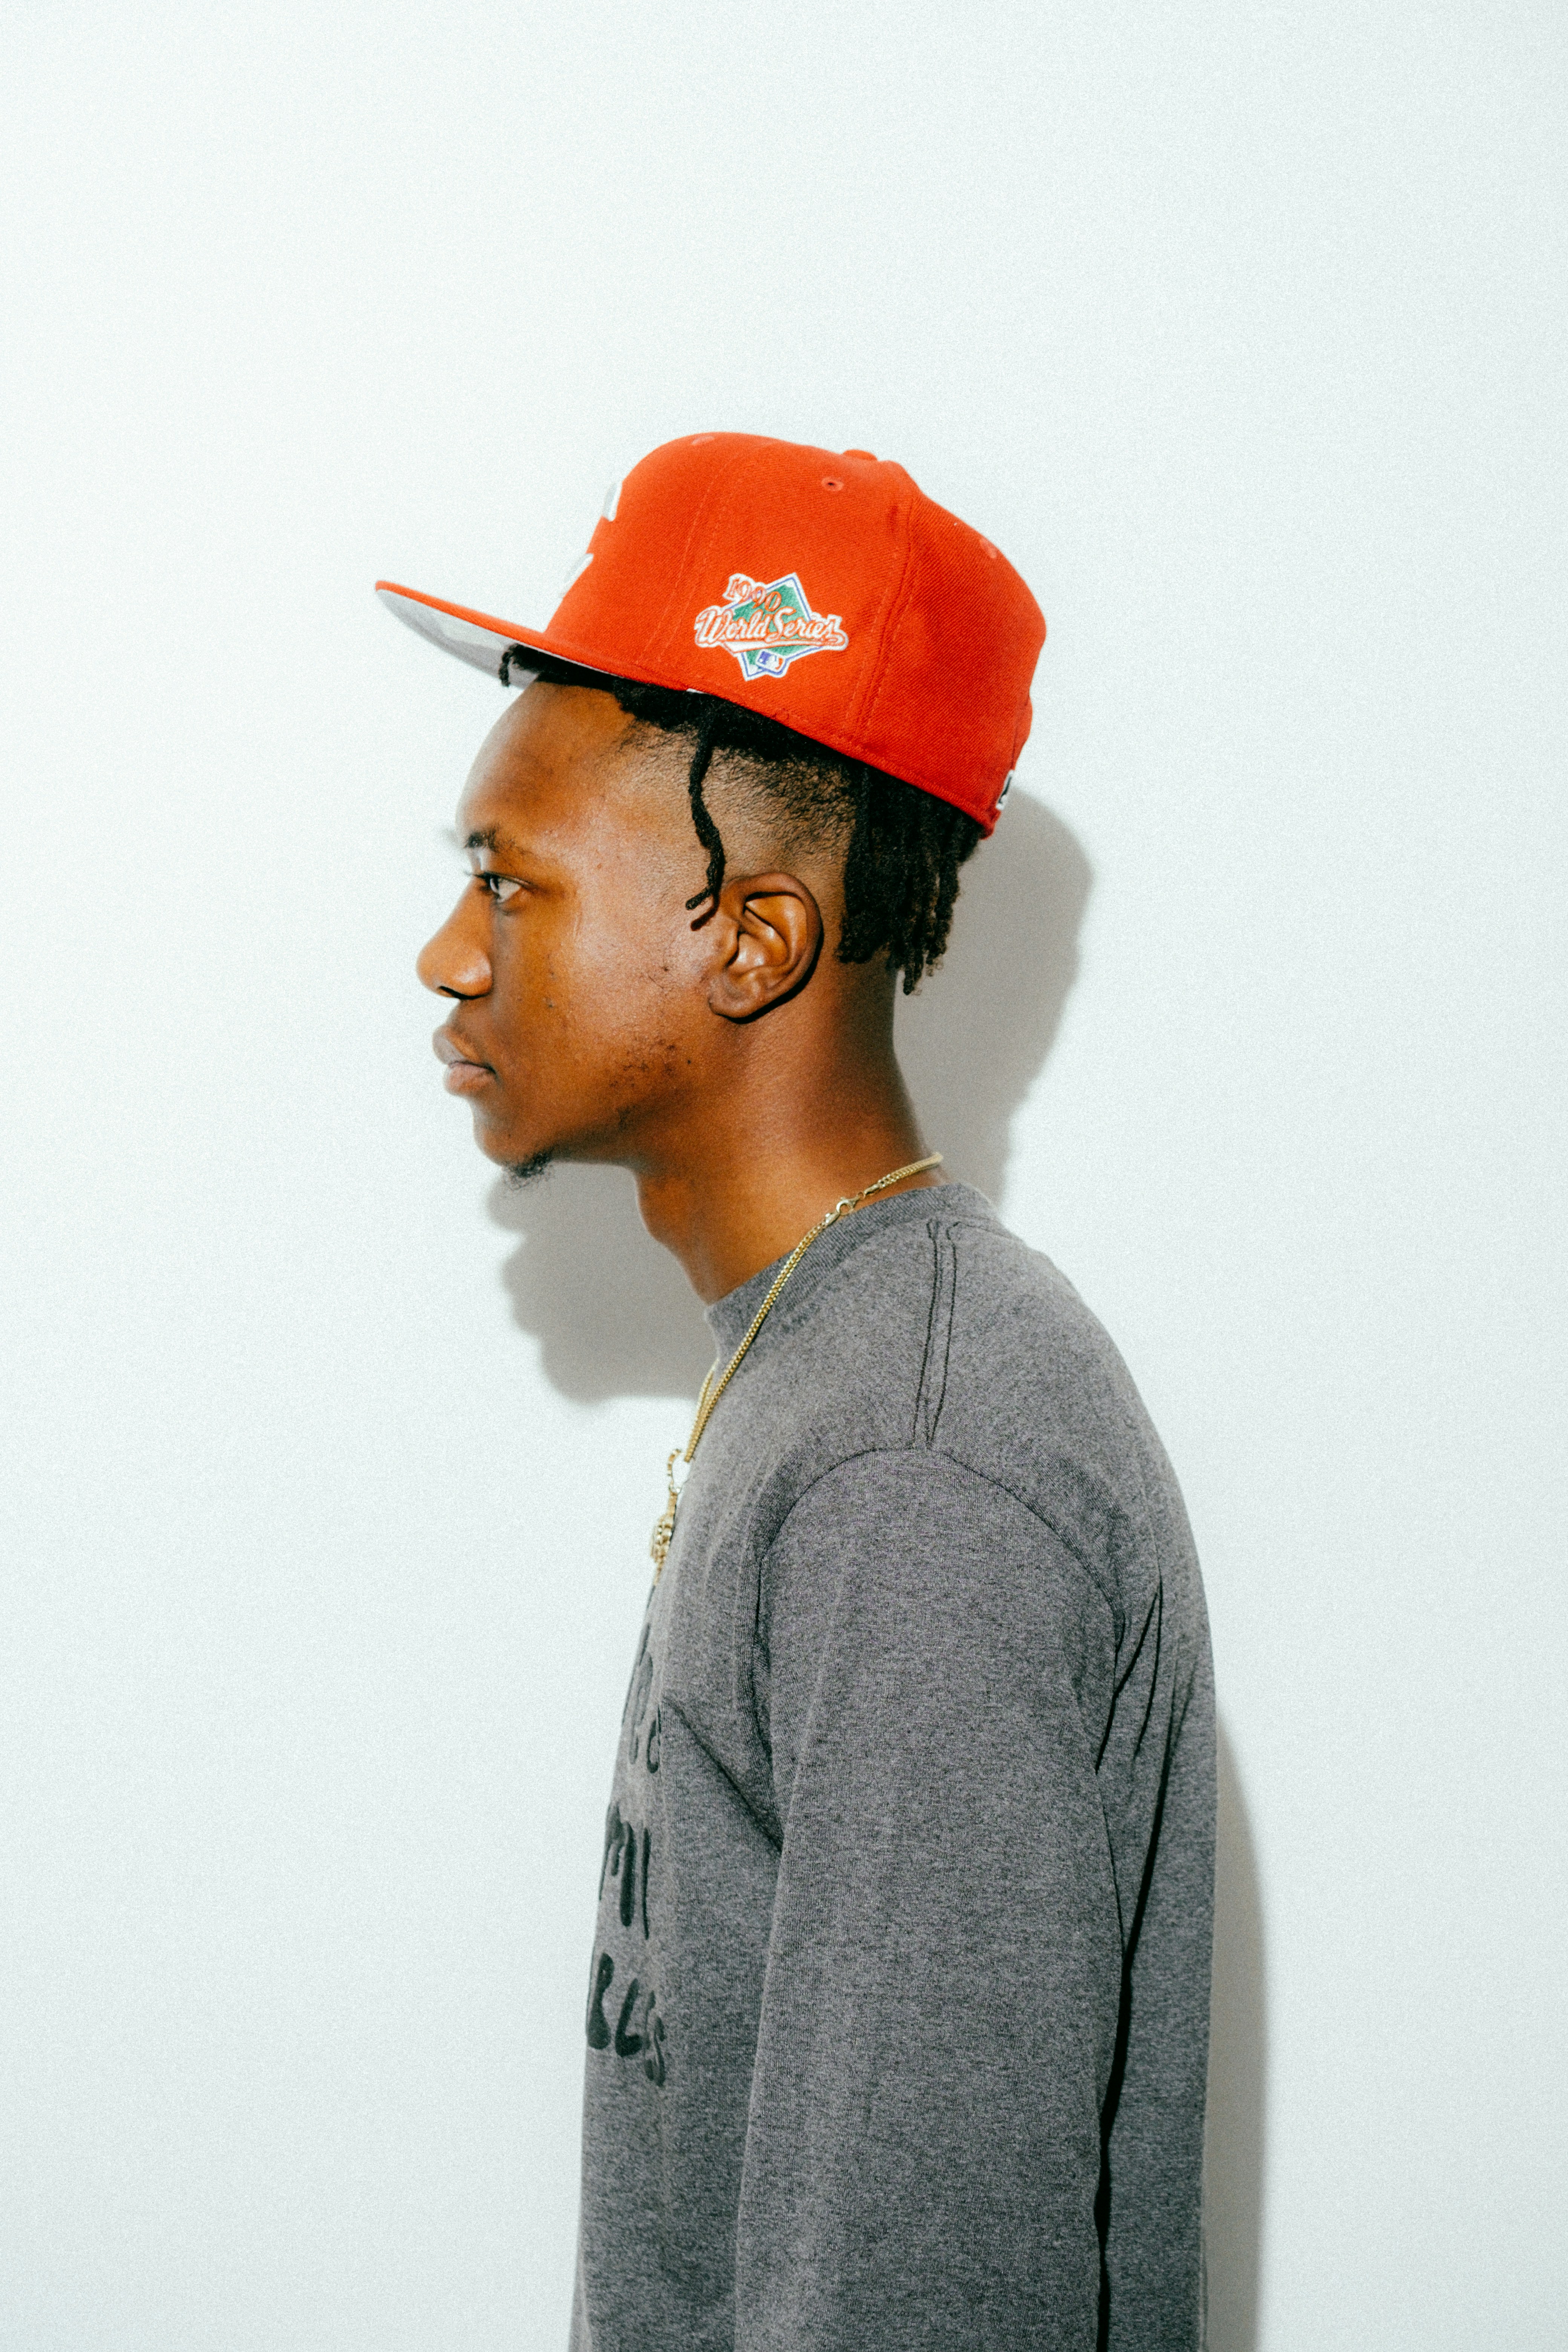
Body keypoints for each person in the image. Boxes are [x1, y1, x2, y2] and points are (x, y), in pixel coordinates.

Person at [384, 433, 1215, 2351]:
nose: (444, 957)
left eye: (507, 886)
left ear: (752, 940)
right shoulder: (836, 1370)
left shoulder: (911, 1472)